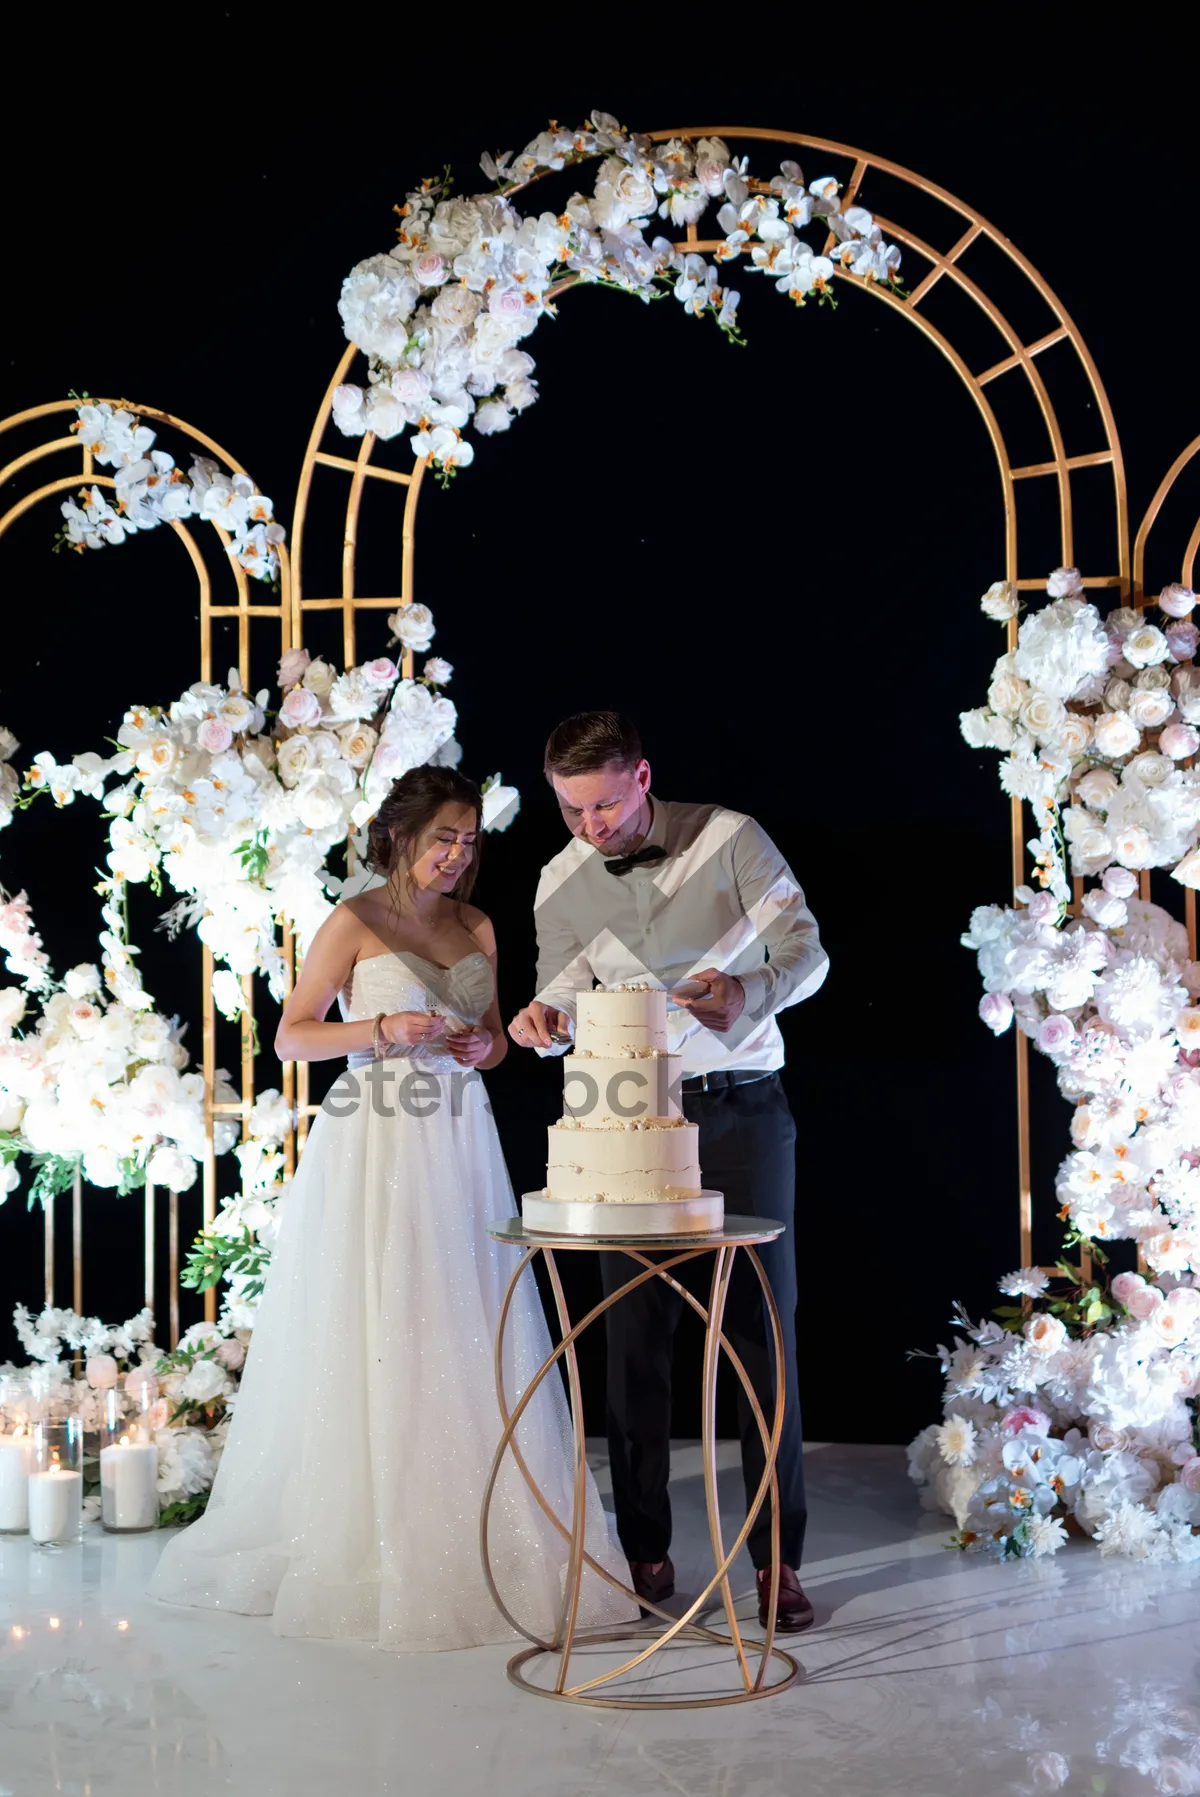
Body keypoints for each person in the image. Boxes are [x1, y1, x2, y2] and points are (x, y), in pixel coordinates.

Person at [150, 764, 636, 1651]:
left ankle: (470, 1512)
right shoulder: (357, 920)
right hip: (375, 1137)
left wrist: (484, 1041)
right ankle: (368, 1522)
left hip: (456, 1137)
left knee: (462, 1314)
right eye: (443, 838)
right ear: (400, 836)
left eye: (469, 840)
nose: (457, 855)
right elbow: (293, 1032)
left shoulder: (478, 923)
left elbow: (490, 1048)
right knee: (379, 1314)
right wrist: (379, 1031)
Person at [509, 713, 828, 1633]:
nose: (590, 828)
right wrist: (543, 1022)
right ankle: (643, 1547)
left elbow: (807, 950)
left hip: (739, 1107)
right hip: (625, 1120)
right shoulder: (561, 877)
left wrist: (749, 990)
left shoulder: (731, 839)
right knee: (635, 1339)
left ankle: (777, 1562)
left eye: (604, 804)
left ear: (643, 775)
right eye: (571, 810)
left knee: (763, 1334)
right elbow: (561, 990)